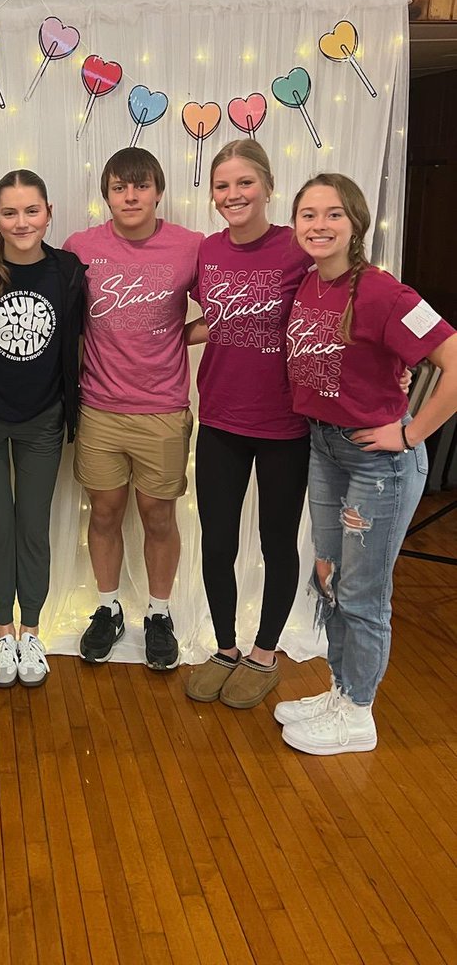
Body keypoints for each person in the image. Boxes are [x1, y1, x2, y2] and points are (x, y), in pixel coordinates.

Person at [276, 173, 457, 755]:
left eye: (332, 215)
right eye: (308, 214)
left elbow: (453, 362)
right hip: (324, 450)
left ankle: (358, 713)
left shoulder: (385, 292)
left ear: (356, 223)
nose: (319, 225)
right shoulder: (308, 285)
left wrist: (409, 432)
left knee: (362, 590)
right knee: (329, 574)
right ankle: (339, 688)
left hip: (377, 463)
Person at [184, 140, 312, 708]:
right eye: (222, 186)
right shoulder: (207, 252)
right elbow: (210, 315)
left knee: (276, 540)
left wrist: (392, 372)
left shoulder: (297, 247)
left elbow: (340, 307)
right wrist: (165, 335)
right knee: (217, 539)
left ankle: (265, 653)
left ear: (267, 185)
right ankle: (226, 647)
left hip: (286, 424)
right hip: (219, 418)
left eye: (244, 184)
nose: (232, 195)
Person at [64, 147, 202, 669]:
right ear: (107, 195)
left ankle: (160, 614)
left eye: (140, 186)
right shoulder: (81, 247)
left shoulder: (190, 246)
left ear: (158, 192)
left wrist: (178, 337)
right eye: (120, 187)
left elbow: (226, 307)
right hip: (98, 407)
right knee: (104, 511)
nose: (131, 196)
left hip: (163, 409)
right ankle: (107, 609)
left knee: (157, 515)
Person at [0, 170, 86, 688]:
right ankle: (2, 632)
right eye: (10, 212)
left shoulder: (69, 272)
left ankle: (32, 632)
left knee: (32, 526)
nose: (22, 221)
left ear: (49, 213)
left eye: (32, 211)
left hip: (43, 421)